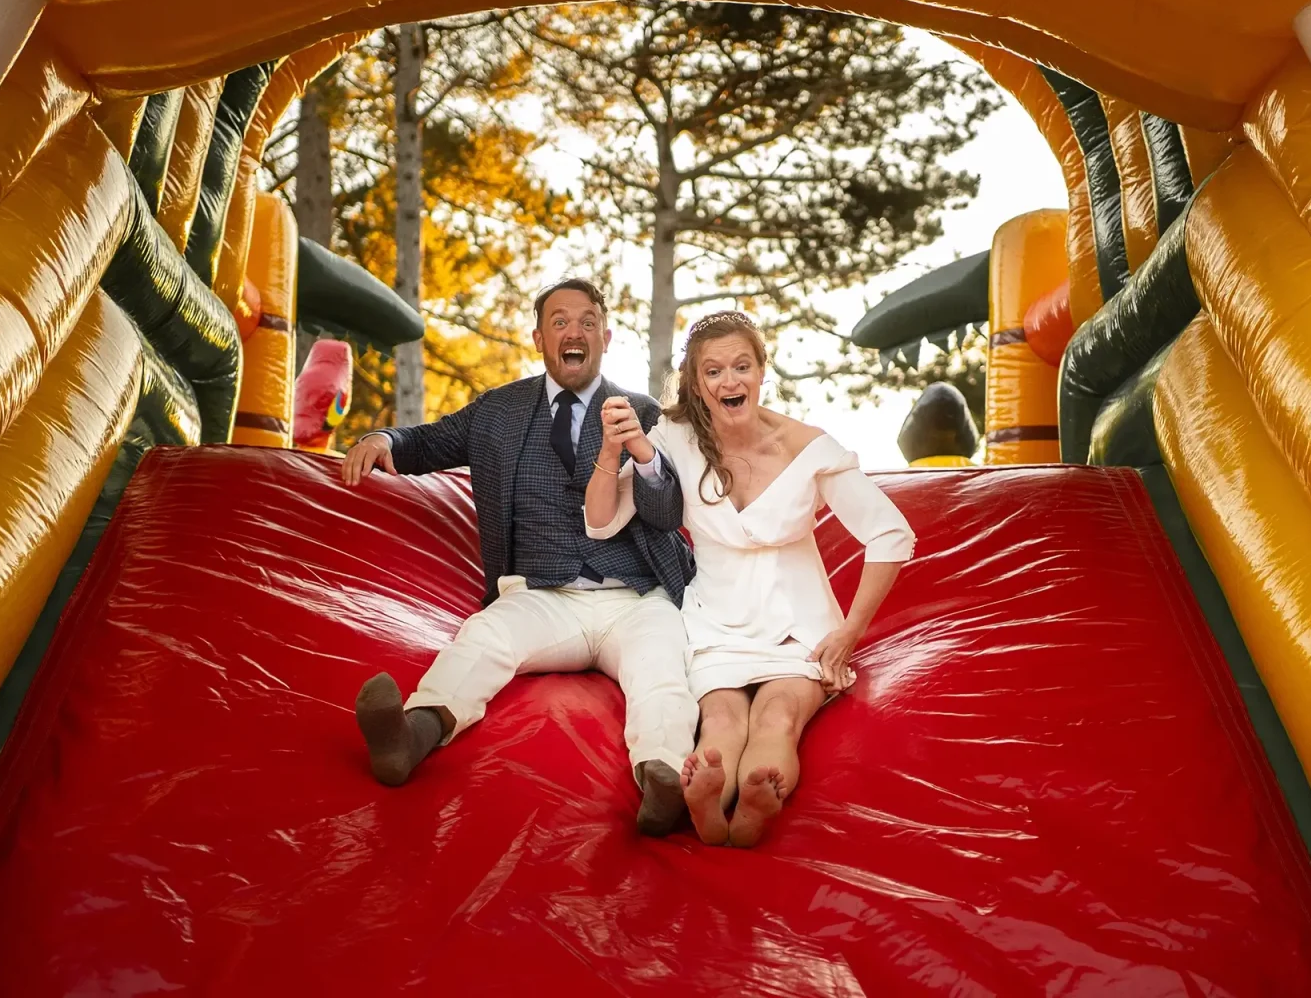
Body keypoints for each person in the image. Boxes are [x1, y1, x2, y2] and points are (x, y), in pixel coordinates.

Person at [340, 278, 698, 836]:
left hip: (635, 597)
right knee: (484, 639)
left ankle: (665, 778)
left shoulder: (646, 412)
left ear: (605, 335)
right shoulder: (499, 411)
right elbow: (430, 441)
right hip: (543, 596)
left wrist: (645, 456)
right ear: (538, 338)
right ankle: (411, 734)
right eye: (559, 321)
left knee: (661, 672)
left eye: (585, 321)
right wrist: (386, 439)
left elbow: (667, 512)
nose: (572, 331)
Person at [584, 311, 915, 846]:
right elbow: (600, 523)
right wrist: (610, 447)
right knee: (720, 723)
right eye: (713, 371)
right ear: (696, 383)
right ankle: (712, 810)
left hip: (799, 624)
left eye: (742, 366)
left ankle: (756, 802)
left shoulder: (806, 445)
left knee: (779, 715)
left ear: (763, 371)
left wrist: (849, 632)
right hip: (715, 623)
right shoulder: (674, 437)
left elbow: (891, 535)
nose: (729, 381)